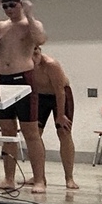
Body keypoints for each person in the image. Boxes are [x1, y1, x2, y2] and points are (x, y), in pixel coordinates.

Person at [0, 0, 48, 193]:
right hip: (2, 81)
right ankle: (9, 178)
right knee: (7, 131)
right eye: (4, 6)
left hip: (24, 80)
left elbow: (41, 40)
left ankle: (40, 179)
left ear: (20, 5)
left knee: (31, 133)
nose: (8, 9)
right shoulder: (0, 26)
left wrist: (30, 15)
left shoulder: (31, 25)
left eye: (12, 5)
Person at [30, 45, 78, 190]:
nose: (35, 57)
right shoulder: (24, 65)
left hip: (61, 96)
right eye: (31, 54)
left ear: (40, 51)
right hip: (40, 97)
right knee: (34, 135)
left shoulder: (51, 65)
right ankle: (39, 176)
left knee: (64, 132)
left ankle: (69, 178)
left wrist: (61, 115)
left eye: (37, 53)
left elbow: (60, 91)